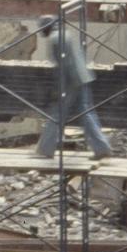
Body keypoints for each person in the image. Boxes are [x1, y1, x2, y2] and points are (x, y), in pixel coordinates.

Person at [36, 17, 112, 157]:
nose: (41, 33)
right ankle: (102, 148)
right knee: (87, 114)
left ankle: (45, 149)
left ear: (46, 28)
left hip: (71, 81)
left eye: (42, 29)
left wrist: (59, 89)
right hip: (83, 77)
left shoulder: (55, 38)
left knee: (57, 115)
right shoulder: (66, 34)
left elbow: (64, 66)